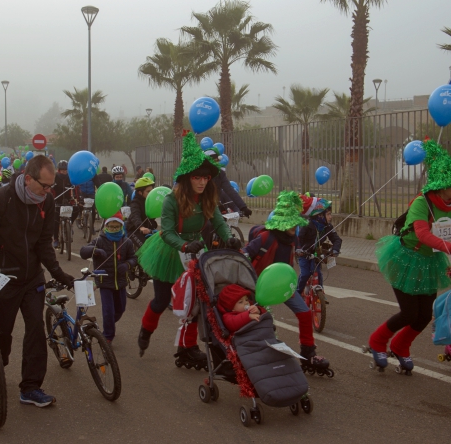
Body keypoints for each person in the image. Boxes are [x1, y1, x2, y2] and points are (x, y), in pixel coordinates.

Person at [368, 139, 451, 372]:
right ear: (442, 183)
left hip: (429, 260)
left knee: (424, 315)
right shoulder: (421, 202)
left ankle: (400, 346)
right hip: (406, 256)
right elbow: (422, 233)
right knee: (409, 312)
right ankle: (377, 342)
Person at [0, 155, 75, 407]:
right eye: (44, 185)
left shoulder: (47, 202)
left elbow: (43, 243)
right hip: (2, 277)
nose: (48, 192)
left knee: (36, 329)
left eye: (51, 187)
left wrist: (59, 274)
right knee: (2, 333)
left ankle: (30, 387)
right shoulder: (2, 198)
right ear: (28, 179)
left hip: (31, 278)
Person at [136, 133, 239, 366]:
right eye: (197, 177)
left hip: (195, 250)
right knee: (161, 300)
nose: (202, 182)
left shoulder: (207, 196)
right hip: (169, 250)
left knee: (197, 301)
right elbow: (168, 231)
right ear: (187, 178)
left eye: (205, 177)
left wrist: (229, 237)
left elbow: (219, 220)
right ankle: (145, 331)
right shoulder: (172, 200)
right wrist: (184, 245)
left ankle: (187, 348)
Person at [243, 190, 330, 371]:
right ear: (282, 223)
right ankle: (256, 354)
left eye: (296, 225)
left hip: (282, 284)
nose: (294, 228)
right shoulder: (265, 237)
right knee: (261, 321)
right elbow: (245, 255)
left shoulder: (292, 238)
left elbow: (296, 251)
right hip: (260, 285)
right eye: (291, 225)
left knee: (305, 313)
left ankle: (308, 354)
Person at [80, 212, 137, 343]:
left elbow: (134, 258)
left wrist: (128, 264)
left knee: (120, 309)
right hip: (104, 282)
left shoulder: (127, 242)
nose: (113, 229)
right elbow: (83, 251)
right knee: (108, 311)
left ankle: (109, 323)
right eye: (111, 227)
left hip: (121, 282)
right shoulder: (99, 240)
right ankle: (108, 336)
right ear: (106, 226)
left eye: (117, 227)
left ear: (121, 227)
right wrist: (95, 250)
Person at [297, 196, 341, 290]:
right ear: (320, 215)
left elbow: (337, 239)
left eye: (330, 214)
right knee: (305, 274)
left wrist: (335, 249)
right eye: (328, 214)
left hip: (316, 254)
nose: (330, 217)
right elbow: (298, 238)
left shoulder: (327, 226)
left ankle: (320, 293)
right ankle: (298, 292)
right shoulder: (307, 224)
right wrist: (299, 249)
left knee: (318, 273)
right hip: (304, 253)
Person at [203, 147, 252, 218]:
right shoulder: (201, 175)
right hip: (200, 207)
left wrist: (243, 207)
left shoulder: (220, 174)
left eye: (217, 161)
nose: (215, 164)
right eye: (212, 161)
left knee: (221, 226)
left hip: (214, 205)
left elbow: (230, 190)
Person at [127, 177, 157, 249]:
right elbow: (135, 215)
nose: (151, 193)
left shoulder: (151, 201)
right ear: (140, 192)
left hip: (148, 229)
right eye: (148, 191)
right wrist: (141, 227)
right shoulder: (135, 203)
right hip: (135, 230)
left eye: (152, 191)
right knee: (146, 248)